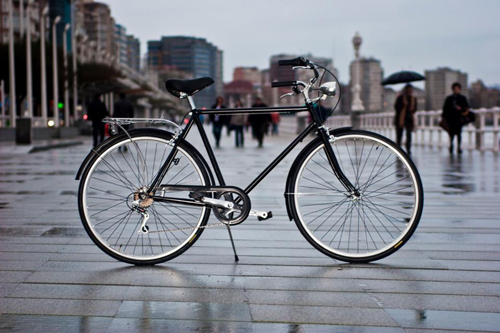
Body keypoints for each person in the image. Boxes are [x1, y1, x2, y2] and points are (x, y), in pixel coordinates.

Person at [442, 82, 470, 154]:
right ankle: (451, 145)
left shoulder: (462, 98)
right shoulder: (449, 98)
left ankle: (459, 147)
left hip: (459, 119)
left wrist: (460, 109)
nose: (456, 90)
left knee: (459, 133)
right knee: (451, 133)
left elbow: (466, 108)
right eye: (455, 89)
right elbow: (445, 109)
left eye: (457, 89)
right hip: (451, 119)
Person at [394, 84, 417, 155]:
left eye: (411, 89)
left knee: (409, 135)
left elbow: (415, 109)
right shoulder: (400, 98)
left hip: (409, 119)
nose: (409, 91)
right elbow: (396, 107)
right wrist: (403, 105)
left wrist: (411, 108)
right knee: (399, 135)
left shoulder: (413, 99)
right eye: (408, 89)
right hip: (400, 119)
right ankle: (398, 149)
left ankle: (408, 149)